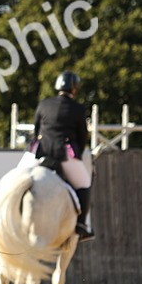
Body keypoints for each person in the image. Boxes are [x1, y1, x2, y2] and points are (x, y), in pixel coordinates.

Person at [31, 70, 95, 241]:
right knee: (85, 183)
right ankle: (81, 224)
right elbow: (82, 138)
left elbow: (36, 130)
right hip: (63, 153)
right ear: (74, 89)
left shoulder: (44, 103)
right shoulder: (78, 108)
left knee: (17, 174)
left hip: (40, 152)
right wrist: (78, 154)